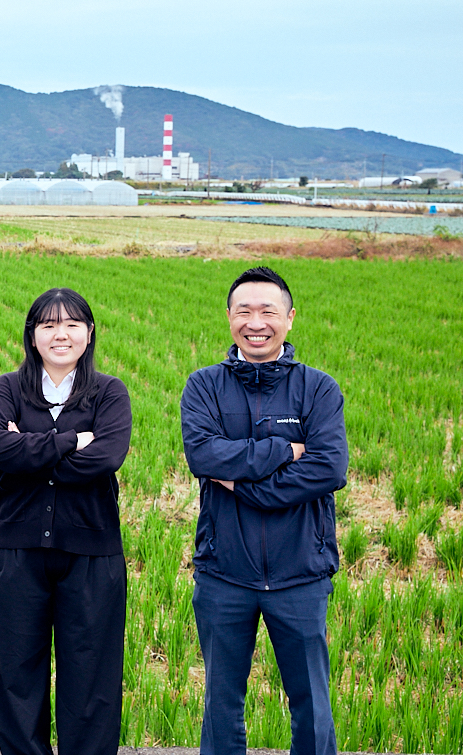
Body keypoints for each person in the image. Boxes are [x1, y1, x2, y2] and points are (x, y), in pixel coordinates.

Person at [182, 266, 347, 755]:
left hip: (301, 573)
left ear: (290, 318)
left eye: (268, 312)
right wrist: (284, 450)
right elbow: (204, 456)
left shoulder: (318, 389)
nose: (256, 323)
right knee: (221, 704)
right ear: (229, 317)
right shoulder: (204, 386)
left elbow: (328, 468)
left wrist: (244, 486)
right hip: (224, 572)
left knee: (312, 703)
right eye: (244, 312)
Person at [0, 288, 133, 755]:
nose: (60, 334)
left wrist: (29, 449)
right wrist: (70, 441)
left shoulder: (109, 392)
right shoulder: (8, 389)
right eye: (48, 325)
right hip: (16, 550)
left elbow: (106, 458)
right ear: (32, 336)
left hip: (91, 553)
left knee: (91, 678)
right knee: (15, 674)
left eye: (71, 324)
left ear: (89, 333)